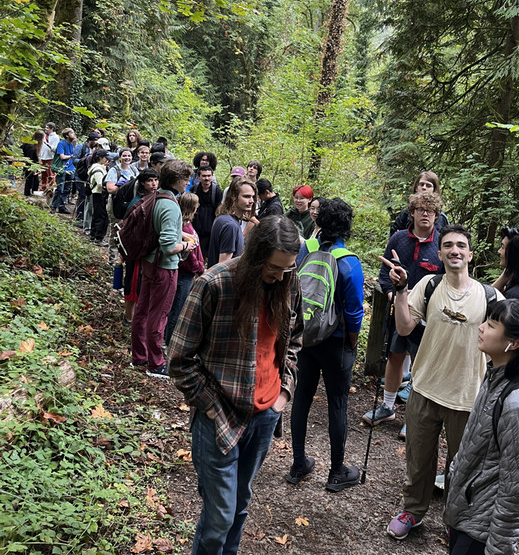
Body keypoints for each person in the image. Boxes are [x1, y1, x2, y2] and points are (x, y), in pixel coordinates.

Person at [385, 225, 519, 540]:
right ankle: (413, 511)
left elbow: (514, 332)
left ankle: (454, 521)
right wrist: (402, 289)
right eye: (447, 245)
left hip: (469, 397)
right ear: (440, 253)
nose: (454, 250)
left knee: (463, 468)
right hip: (424, 389)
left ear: (470, 254)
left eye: (460, 245)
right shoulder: (428, 286)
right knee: (418, 460)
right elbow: (404, 329)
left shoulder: (488, 295)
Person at [168, 216, 304, 555]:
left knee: (240, 505)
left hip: (265, 416)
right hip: (219, 419)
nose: (280, 276)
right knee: (219, 518)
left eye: (288, 269)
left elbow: (294, 341)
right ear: (256, 255)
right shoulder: (214, 284)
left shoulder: (289, 281)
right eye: (274, 267)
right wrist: (212, 407)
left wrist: (284, 392)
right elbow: (179, 360)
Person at [445, 300, 519, 554]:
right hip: (467, 514)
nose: (480, 328)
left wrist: (499, 549)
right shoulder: (495, 376)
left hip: (483, 534)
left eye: (491, 325)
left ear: (513, 344)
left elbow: (516, 491)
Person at [287, 198, 364, 492]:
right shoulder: (349, 261)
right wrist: (351, 343)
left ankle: (298, 464)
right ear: (347, 227)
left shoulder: (306, 250)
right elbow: (354, 311)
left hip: (306, 337)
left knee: (302, 396)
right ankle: (336, 472)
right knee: (337, 403)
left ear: (318, 222)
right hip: (336, 342)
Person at [363, 192, 443, 429]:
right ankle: (387, 407)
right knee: (395, 357)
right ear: (412, 212)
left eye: (430, 210)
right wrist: (395, 296)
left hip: (428, 317)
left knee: (421, 363)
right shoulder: (398, 239)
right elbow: (383, 276)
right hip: (399, 310)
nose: (425, 213)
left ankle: (413, 415)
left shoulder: (441, 243)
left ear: (437, 215)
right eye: (420, 209)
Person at [130, 159, 195, 378]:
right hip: (164, 268)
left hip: (149, 262)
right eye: (185, 178)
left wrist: (181, 234)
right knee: (159, 315)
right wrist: (188, 244)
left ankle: (139, 357)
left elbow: (159, 232)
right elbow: (168, 247)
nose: (188, 182)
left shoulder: (157, 196)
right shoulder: (170, 205)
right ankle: (156, 363)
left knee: (142, 310)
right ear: (176, 180)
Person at [164, 192, 204, 346]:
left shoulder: (187, 224)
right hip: (184, 274)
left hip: (188, 273)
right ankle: (170, 342)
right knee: (177, 309)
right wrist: (199, 268)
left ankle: (168, 338)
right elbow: (189, 255)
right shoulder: (183, 227)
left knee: (177, 307)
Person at [122, 168, 160, 323]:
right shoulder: (137, 202)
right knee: (132, 283)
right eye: (150, 181)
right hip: (136, 250)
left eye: (156, 180)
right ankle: (129, 317)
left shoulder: (158, 199)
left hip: (149, 250)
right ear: (143, 183)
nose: (153, 184)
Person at [206, 180, 256, 268]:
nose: (251, 201)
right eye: (246, 196)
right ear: (234, 197)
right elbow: (224, 267)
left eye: (253, 197)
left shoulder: (223, 218)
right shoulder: (230, 226)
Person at [191, 165, 223, 260]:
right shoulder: (195, 189)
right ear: (198, 177)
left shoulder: (216, 191)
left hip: (211, 226)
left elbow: (219, 209)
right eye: (204, 176)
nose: (206, 178)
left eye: (209, 176)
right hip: (196, 226)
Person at [50, 128, 77, 214]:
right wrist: (71, 156)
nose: (74, 134)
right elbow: (62, 156)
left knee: (67, 189)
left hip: (71, 169)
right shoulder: (61, 144)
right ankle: (53, 206)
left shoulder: (72, 144)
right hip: (62, 169)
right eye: (71, 133)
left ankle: (61, 206)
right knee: (59, 189)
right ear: (67, 135)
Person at [88, 148, 110, 245]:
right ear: (100, 158)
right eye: (105, 158)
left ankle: (93, 235)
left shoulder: (98, 167)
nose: (107, 160)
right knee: (101, 216)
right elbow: (101, 183)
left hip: (98, 194)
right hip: (99, 194)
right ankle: (98, 238)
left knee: (96, 215)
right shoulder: (97, 169)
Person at [21, 129, 44, 196]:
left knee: (34, 181)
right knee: (30, 182)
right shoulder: (31, 146)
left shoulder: (28, 143)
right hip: (30, 166)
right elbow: (31, 159)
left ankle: (32, 194)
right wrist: (34, 169)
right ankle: (27, 195)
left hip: (29, 165)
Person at [38, 122, 60, 193]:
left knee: (50, 174)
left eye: (47, 128)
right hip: (43, 157)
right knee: (43, 174)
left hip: (50, 158)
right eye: (45, 127)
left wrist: (47, 144)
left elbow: (55, 149)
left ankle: (50, 189)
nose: (45, 129)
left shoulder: (56, 137)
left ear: (52, 129)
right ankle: (43, 187)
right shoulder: (43, 135)